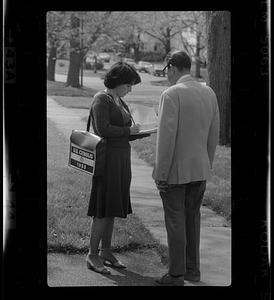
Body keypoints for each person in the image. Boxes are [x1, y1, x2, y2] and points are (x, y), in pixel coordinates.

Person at [152, 51, 220, 286]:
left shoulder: (171, 94)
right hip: (200, 168)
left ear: (171, 67)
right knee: (193, 220)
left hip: (175, 171)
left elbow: (166, 139)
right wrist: (207, 164)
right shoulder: (209, 92)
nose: (166, 75)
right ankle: (192, 270)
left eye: (165, 70)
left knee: (175, 222)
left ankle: (176, 274)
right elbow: (214, 135)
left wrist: (160, 173)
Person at [86, 62, 149, 275]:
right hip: (108, 160)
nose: (130, 89)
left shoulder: (119, 100)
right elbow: (102, 129)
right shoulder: (101, 99)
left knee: (112, 207)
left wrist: (141, 131)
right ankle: (92, 255)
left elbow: (124, 130)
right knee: (102, 209)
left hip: (122, 159)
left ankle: (106, 251)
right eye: (129, 85)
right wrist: (128, 130)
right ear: (118, 82)